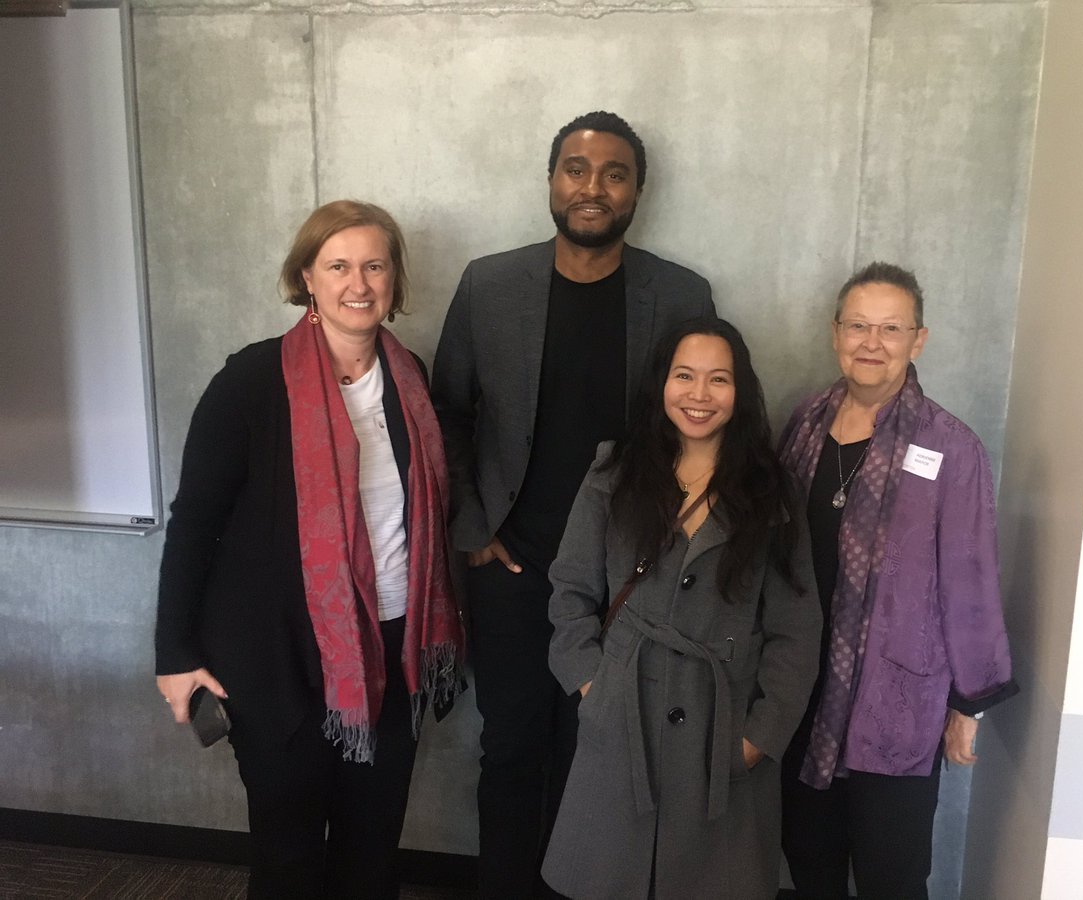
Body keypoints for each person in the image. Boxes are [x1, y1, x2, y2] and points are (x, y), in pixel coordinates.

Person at [431, 111, 715, 897]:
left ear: (637, 192)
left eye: (614, 173)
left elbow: (696, 422)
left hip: (627, 581)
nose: (593, 187)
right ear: (552, 180)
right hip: (513, 572)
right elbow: (448, 412)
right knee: (513, 751)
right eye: (577, 169)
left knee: (603, 754)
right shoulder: (488, 285)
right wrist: (475, 528)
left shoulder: (681, 293)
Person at [155, 200, 466, 899]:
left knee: (371, 855)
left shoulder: (411, 380)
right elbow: (195, 520)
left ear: (393, 279)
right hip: (276, 659)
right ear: (308, 277)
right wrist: (174, 653)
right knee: (289, 860)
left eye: (375, 265)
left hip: (393, 648)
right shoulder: (252, 382)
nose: (359, 282)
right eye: (339, 265)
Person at [540, 319, 820, 899]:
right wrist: (595, 687)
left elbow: (797, 630)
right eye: (684, 376)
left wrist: (758, 738)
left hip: (724, 731)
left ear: (740, 391)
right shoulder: (614, 473)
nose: (699, 395)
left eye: (718, 380)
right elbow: (570, 591)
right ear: (660, 383)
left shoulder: (772, 490)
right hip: (622, 720)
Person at [777, 262, 1018, 899]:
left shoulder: (952, 448)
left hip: (897, 698)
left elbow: (971, 582)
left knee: (892, 874)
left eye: (890, 328)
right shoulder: (803, 426)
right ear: (835, 332)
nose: (871, 342)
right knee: (809, 860)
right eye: (858, 325)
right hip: (799, 686)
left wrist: (970, 703)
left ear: (919, 339)